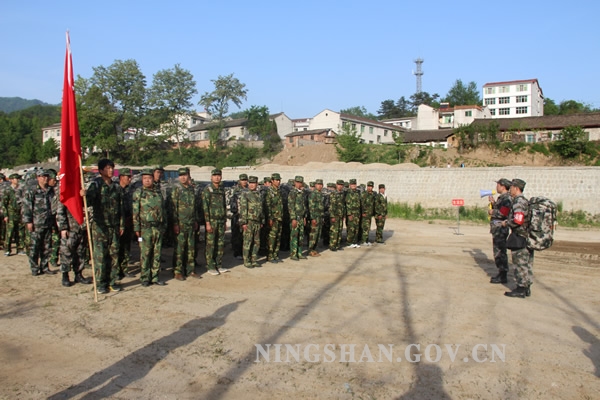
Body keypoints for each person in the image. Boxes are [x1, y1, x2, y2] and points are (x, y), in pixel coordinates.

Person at [85, 159, 124, 294]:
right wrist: (84, 195)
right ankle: (100, 283)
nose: (111, 170)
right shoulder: (96, 185)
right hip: (100, 226)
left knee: (114, 255)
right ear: (101, 170)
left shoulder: (116, 187)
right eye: (107, 168)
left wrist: (121, 224)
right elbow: (88, 202)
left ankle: (112, 281)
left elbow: (120, 207)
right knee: (100, 256)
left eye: (112, 168)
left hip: (114, 226)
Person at [133, 168, 167, 287]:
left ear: (153, 179)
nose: (147, 180)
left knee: (157, 253)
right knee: (145, 254)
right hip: (145, 229)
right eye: (145, 178)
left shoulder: (158, 192)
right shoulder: (139, 193)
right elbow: (135, 212)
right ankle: (145, 277)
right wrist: (137, 228)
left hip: (157, 228)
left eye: (149, 178)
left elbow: (163, 210)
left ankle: (155, 276)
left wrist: (164, 225)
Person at [22, 169, 57, 276]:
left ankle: (44, 267)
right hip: (36, 223)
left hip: (48, 222)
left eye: (46, 176)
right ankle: (34, 267)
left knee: (47, 247)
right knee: (34, 247)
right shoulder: (32, 190)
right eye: (43, 176)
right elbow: (27, 207)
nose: (45, 178)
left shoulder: (50, 190)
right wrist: (28, 221)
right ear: (38, 178)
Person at [502, 179, 533, 298]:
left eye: (511, 187)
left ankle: (520, 288)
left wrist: (506, 223)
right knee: (527, 263)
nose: (510, 190)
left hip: (520, 236)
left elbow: (518, 220)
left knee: (520, 263)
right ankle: (526, 287)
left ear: (516, 188)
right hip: (527, 236)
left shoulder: (518, 202)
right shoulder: (525, 201)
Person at [171, 167, 199, 280]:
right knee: (179, 248)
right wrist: (175, 223)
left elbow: (194, 207)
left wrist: (195, 220)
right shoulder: (176, 189)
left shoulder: (191, 189)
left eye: (185, 175)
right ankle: (177, 271)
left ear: (188, 176)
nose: (183, 177)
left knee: (191, 248)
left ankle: (190, 270)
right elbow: (173, 208)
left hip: (190, 223)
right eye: (181, 175)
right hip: (181, 224)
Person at [56, 201, 93, 287]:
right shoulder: (66, 194)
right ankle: (65, 275)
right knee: (66, 252)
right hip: (70, 228)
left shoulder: (83, 194)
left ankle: (78, 274)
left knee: (80, 252)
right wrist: (63, 227)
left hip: (82, 227)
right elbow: (60, 211)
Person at [201, 169, 229, 275]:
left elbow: (224, 206)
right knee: (211, 244)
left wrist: (225, 221)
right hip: (212, 221)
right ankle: (210, 266)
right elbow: (205, 207)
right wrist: (207, 223)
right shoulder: (207, 189)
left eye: (218, 175)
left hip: (221, 221)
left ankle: (219, 264)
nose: (217, 177)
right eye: (215, 175)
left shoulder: (221, 190)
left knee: (220, 244)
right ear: (211, 177)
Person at [488, 178, 512, 284]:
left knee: (500, 251)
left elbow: (503, 213)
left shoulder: (506, 198)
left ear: (502, 186)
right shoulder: (502, 198)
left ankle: (503, 274)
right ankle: (501, 273)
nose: (496, 187)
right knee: (498, 251)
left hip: (501, 229)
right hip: (497, 228)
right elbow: (501, 209)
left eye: (498, 185)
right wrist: (493, 203)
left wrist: (492, 212)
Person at [239, 176, 264, 268]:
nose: (252, 185)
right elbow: (243, 209)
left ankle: (254, 259)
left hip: (257, 222)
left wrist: (262, 220)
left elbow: (261, 209)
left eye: (254, 183)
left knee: (256, 242)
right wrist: (244, 222)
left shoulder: (258, 195)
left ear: (257, 184)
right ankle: (247, 260)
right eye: (250, 183)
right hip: (249, 221)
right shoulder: (245, 194)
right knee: (248, 242)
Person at [117, 168, 135, 279]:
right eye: (127, 177)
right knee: (117, 248)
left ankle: (124, 268)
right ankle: (116, 270)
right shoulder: (116, 189)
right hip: (118, 223)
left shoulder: (130, 190)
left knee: (126, 247)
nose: (129, 179)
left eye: (130, 177)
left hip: (128, 222)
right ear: (121, 177)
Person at [2, 173, 25, 256]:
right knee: (10, 232)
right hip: (11, 214)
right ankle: (7, 249)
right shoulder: (8, 190)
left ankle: (20, 248)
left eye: (18, 179)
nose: (18, 180)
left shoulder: (21, 189)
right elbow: (4, 204)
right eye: (16, 179)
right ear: (11, 180)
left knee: (20, 232)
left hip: (20, 213)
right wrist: (5, 215)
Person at [265, 173, 283, 263]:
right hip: (273, 218)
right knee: (272, 237)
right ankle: (270, 256)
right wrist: (270, 218)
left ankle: (275, 255)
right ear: (272, 181)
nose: (278, 182)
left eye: (279, 180)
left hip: (279, 218)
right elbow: (268, 206)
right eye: (276, 180)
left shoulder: (279, 191)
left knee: (278, 237)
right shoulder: (269, 192)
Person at [287, 176, 307, 261]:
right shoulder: (292, 193)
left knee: (301, 236)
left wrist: (304, 217)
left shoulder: (301, 193)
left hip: (301, 218)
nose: (299, 184)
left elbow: (304, 206)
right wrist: (293, 218)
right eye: (297, 182)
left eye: (300, 182)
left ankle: (299, 253)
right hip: (295, 218)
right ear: (295, 182)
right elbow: (291, 206)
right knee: (294, 236)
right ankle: (293, 254)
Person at [230, 174, 248, 259]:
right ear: (239, 180)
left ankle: (244, 252)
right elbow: (232, 203)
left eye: (245, 180)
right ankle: (237, 252)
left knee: (245, 235)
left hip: (246, 215)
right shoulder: (235, 189)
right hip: (237, 215)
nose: (244, 181)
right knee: (237, 235)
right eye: (242, 180)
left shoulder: (248, 189)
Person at [308, 179, 325, 257]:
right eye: (318, 184)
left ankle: (314, 249)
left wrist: (322, 218)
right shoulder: (313, 194)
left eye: (321, 184)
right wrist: (313, 218)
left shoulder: (320, 194)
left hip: (320, 217)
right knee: (313, 234)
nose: (320, 186)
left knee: (318, 234)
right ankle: (311, 250)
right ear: (315, 185)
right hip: (315, 217)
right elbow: (311, 207)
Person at [329, 180, 346, 251]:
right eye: (339, 185)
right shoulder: (333, 193)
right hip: (335, 215)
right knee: (334, 231)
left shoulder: (342, 194)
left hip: (340, 215)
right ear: (336, 185)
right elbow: (331, 206)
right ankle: (332, 245)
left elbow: (343, 205)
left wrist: (343, 215)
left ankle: (337, 245)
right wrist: (332, 216)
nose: (340, 186)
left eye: (341, 185)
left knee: (339, 230)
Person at [345, 179, 361, 248]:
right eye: (352, 184)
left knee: (356, 228)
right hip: (351, 214)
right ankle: (349, 242)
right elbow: (348, 204)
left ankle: (354, 242)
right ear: (350, 185)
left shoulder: (357, 193)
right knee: (351, 228)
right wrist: (349, 214)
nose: (353, 185)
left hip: (357, 213)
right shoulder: (348, 193)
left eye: (354, 184)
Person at [360, 181, 376, 246]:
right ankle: (363, 241)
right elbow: (362, 204)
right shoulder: (364, 194)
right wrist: (363, 212)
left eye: (371, 186)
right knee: (365, 227)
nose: (369, 188)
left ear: (373, 187)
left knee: (368, 227)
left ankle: (366, 240)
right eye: (368, 186)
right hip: (365, 214)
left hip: (369, 214)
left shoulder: (373, 194)